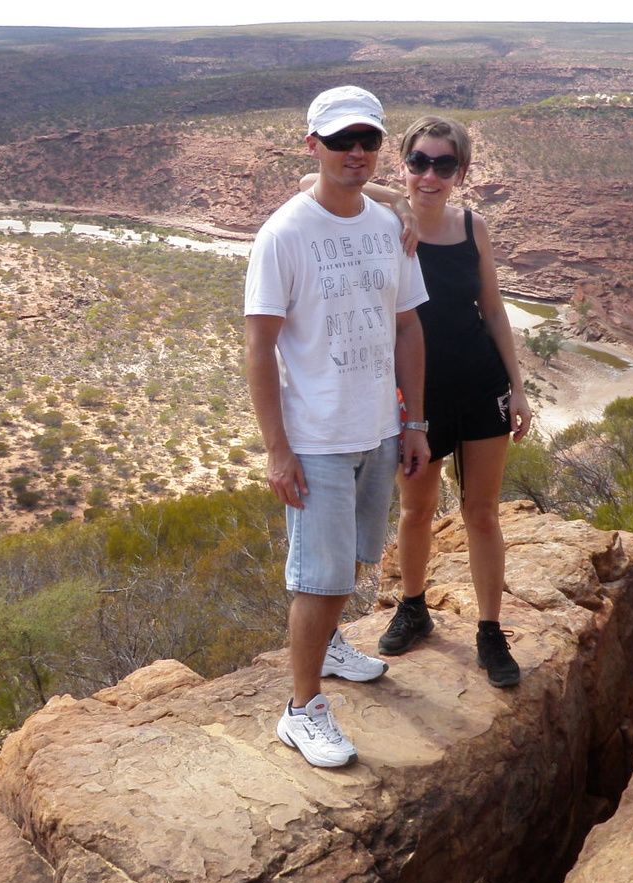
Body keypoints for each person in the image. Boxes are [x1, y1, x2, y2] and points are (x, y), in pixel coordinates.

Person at [304, 116, 533, 687]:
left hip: (480, 385)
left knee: (482, 513)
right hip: (414, 396)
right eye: (419, 162)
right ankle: (413, 605)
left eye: (444, 164)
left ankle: (488, 629)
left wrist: (519, 387)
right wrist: (397, 200)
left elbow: (495, 311)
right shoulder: (381, 220)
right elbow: (307, 188)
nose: (430, 175)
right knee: (416, 510)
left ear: (462, 170)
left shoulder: (472, 227)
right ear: (402, 164)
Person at [244, 85, 432, 768]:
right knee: (319, 580)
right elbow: (259, 345)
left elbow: (408, 326)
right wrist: (277, 449)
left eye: (368, 141)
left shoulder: (388, 227)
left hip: (379, 427)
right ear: (313, 144)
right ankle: (301, 709)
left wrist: (413, 421)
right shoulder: (284, 235)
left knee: (355, 559)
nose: (356, 153)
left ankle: (326, 647)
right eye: (341, 140)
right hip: (318, 438)